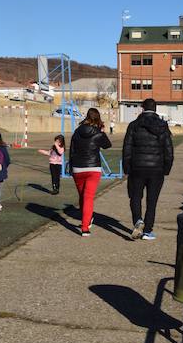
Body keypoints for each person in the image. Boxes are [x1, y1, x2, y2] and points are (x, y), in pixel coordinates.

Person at [122, 98, 174, 240]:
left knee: (135, 196)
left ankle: (138, 220)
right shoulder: (163, 126)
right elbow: (169, 149)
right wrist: (166, 168)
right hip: (156, 169)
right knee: (152, 201)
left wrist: (126, 168)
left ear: (142, 109)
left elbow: (127, 148)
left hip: (137, 168)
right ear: (155, 109)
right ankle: (148, 230)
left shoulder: (134, 125)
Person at [70, 108, 112, 237]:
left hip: (78, 167)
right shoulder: (98, 133)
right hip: (93, 168)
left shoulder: (77, 132)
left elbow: (72, 150)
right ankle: (85, 227)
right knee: (88, 198)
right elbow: (107, 145)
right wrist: (102, 132)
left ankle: (86, 221)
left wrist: (71, 167)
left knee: (83, 197)